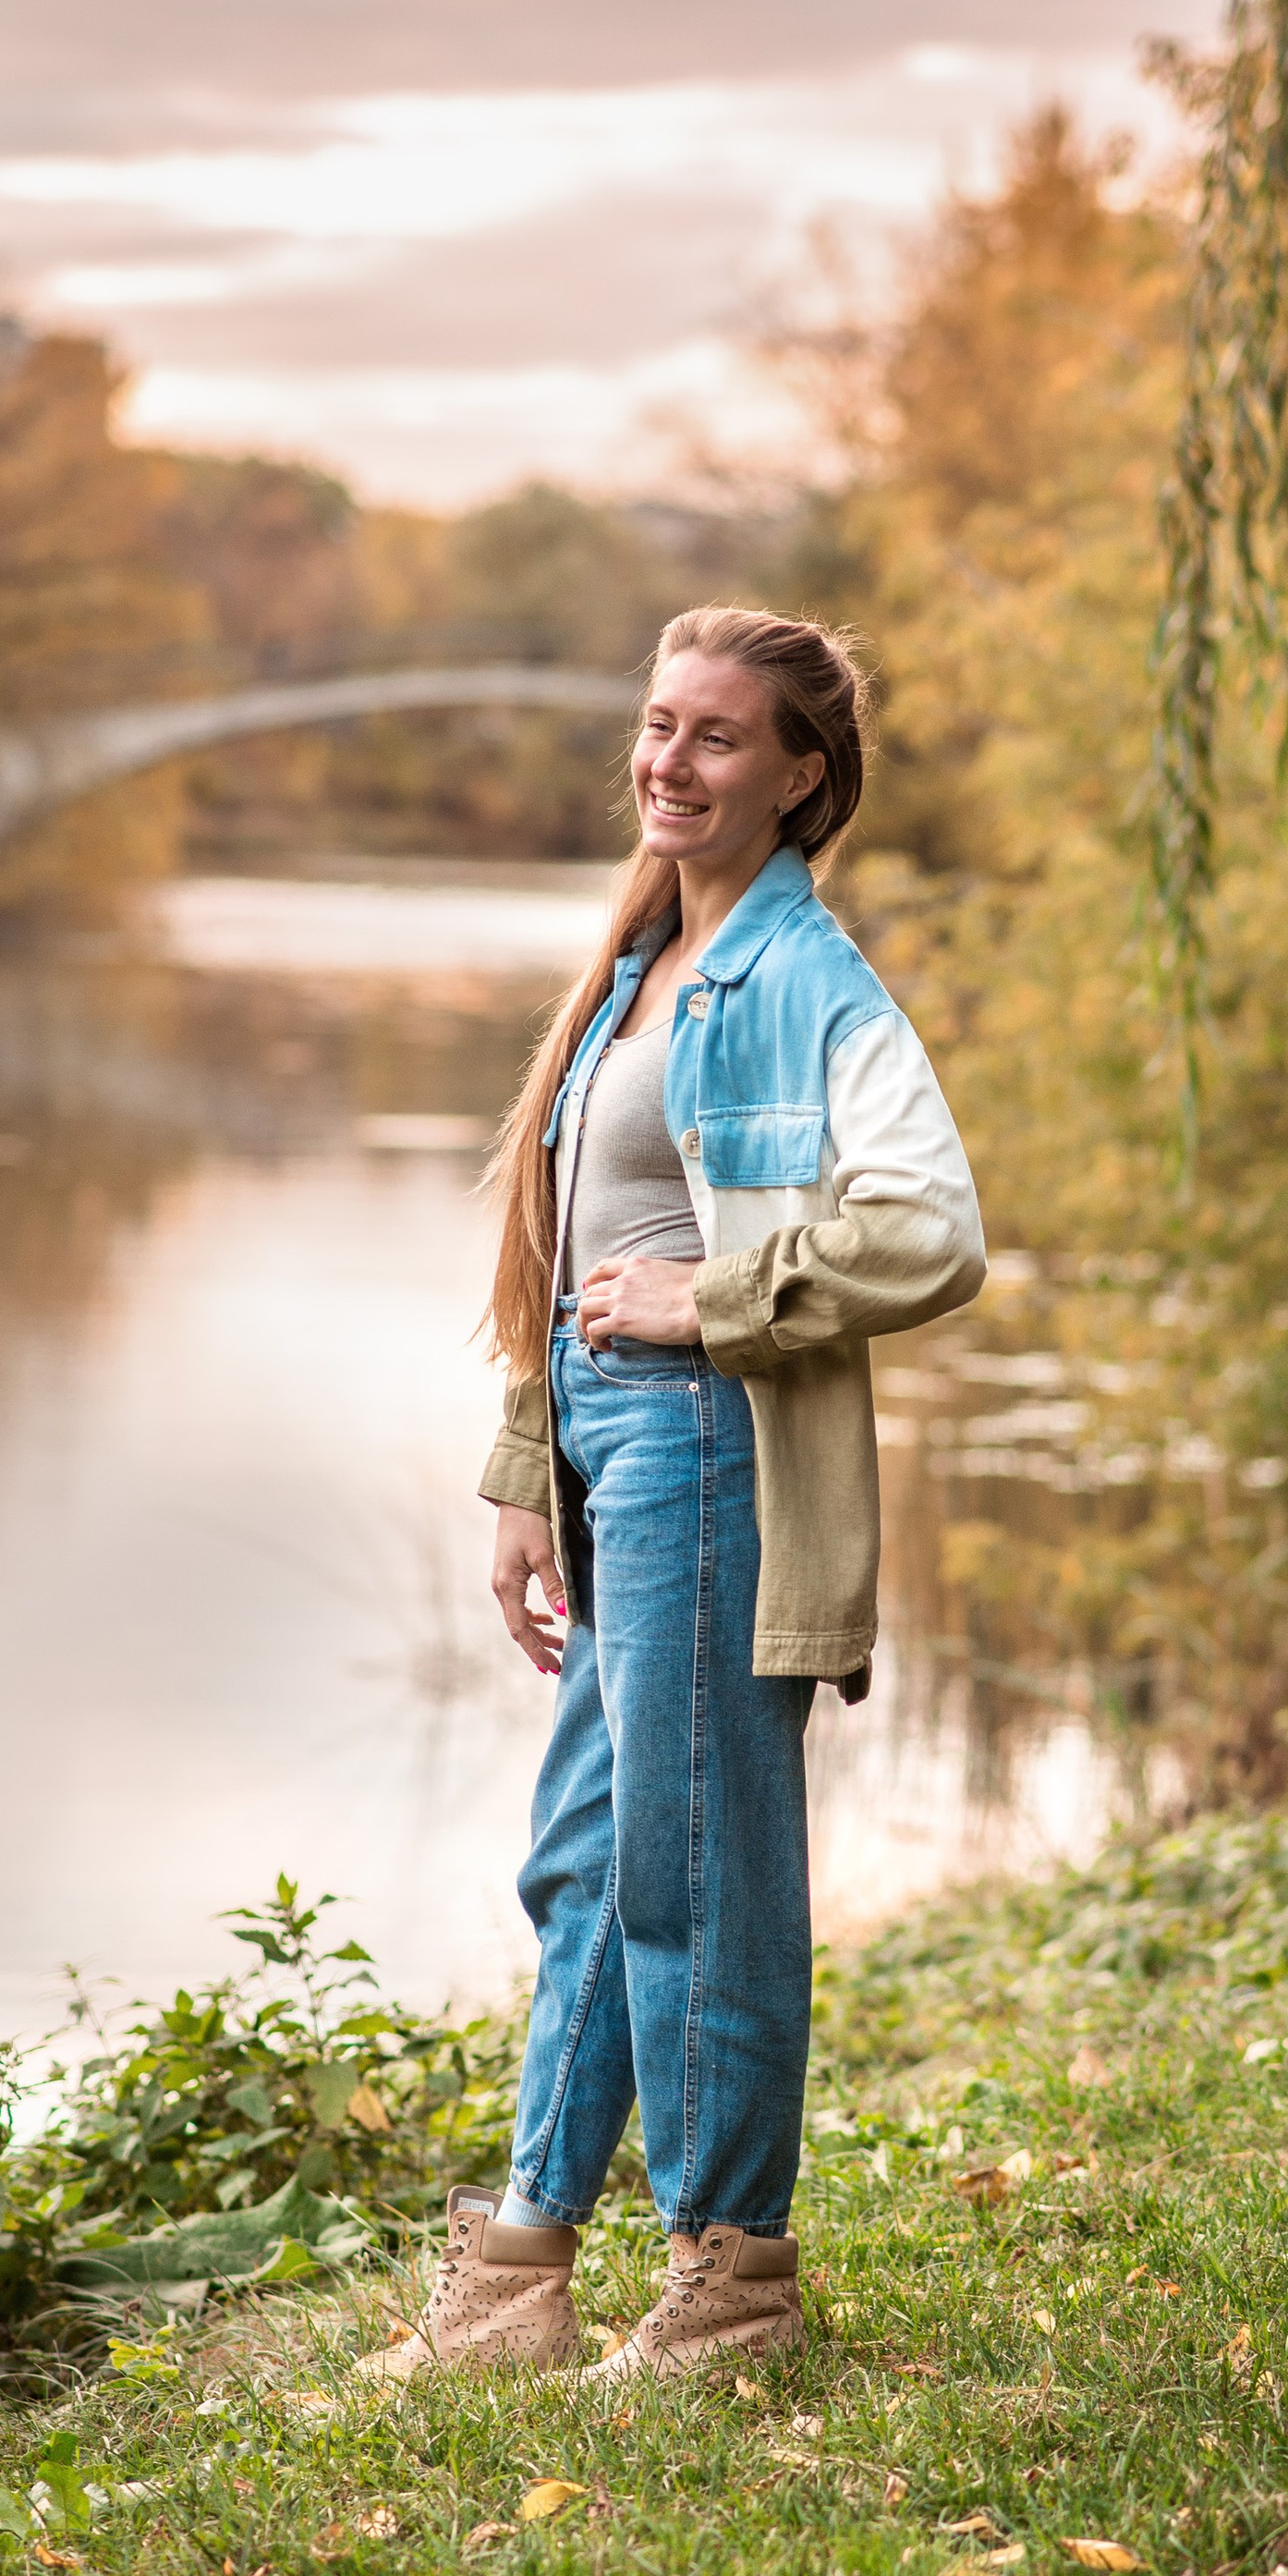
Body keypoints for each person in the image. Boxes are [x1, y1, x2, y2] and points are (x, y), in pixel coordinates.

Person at [367, 608, 983, 2387]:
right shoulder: (640, 965)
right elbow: (570, 1258)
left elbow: (933, 1232)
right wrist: (518, 1476)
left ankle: (729, 2293)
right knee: (583, 1864)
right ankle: (515, 2288)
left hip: (713, 1452)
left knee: (696, 1875)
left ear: (803, 776)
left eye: (721, 737)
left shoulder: (809, 982)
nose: (673, 762)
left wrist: (712, 1302)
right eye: (659, 726)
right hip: (603, 1453)